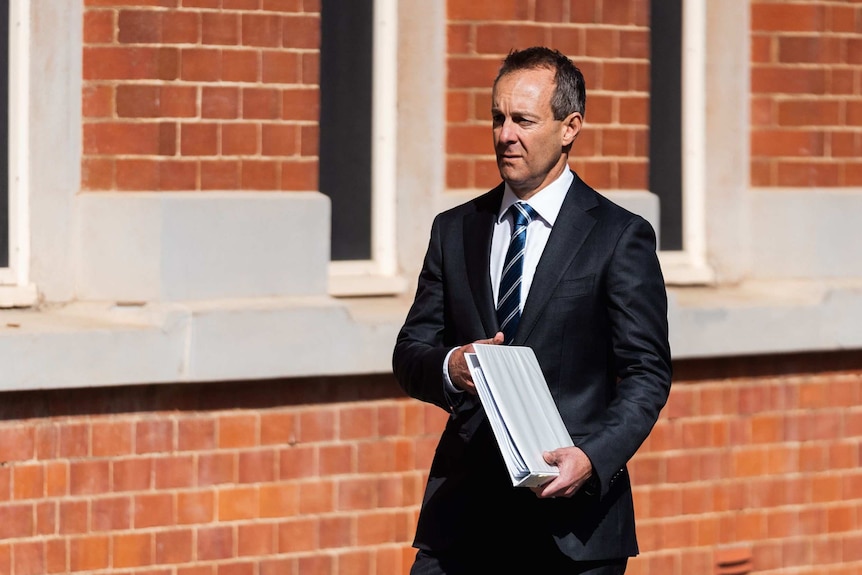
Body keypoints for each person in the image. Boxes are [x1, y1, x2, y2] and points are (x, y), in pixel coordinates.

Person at [392, 47, 672, 574]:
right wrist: (452, 366)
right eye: (498, 118)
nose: (504, 135)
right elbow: (409, 354)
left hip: (572, 528)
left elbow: (646, 375)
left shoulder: (618, 236)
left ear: (570, 128)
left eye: (523, 120)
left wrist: (591, 458)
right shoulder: (454, 230)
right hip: (463, 523)